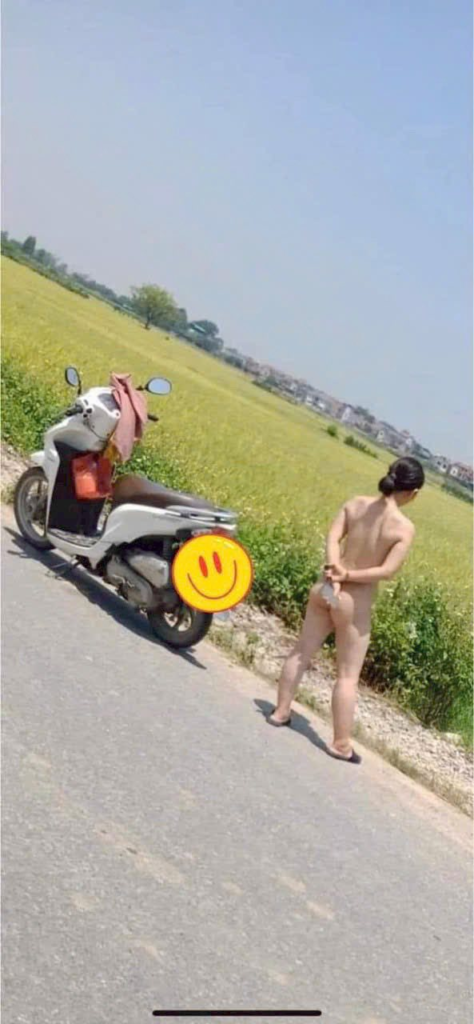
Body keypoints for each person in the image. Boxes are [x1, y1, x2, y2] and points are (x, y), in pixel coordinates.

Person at [267, 457, 425, 763]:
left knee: (301, 651)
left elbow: (332, 537)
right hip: (354, 601)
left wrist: (334, 570)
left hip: (325, 588)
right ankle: (341, 743)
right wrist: (348, 576)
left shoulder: (355, 504)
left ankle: (280, 711)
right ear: (413, 492)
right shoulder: (403, 528)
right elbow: (387, 571)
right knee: (348, 675)